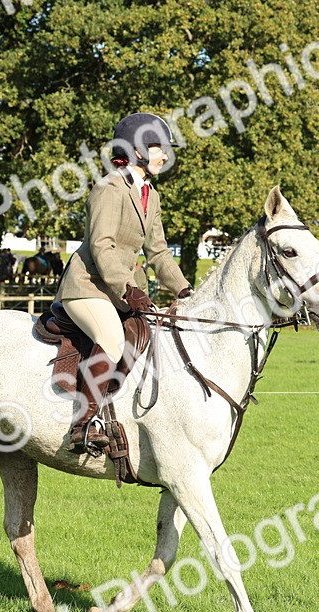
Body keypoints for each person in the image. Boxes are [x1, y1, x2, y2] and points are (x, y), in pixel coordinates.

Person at [53, 112, 193, 451]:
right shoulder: (109, 188)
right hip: (88, 285)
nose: (165, 155)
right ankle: (82, 426)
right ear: (138, 149)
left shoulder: (150, 195)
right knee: (112, 337)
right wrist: (127, 288)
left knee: (152, 337)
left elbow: (158, 252)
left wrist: (185, 290)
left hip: (121, 291)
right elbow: (102, 244)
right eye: (160, 148)